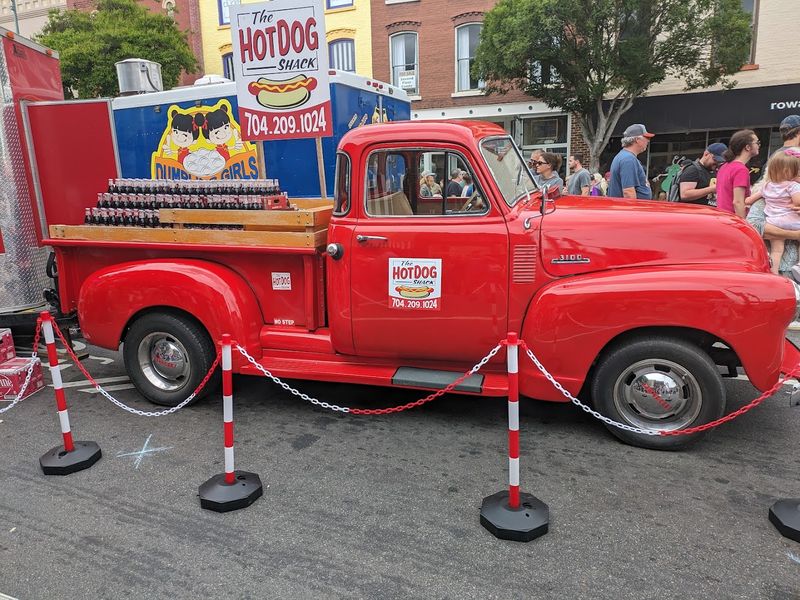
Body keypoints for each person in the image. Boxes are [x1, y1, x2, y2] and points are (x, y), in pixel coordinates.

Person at [760, 148, 800, 277]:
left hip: (774, 221)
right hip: (791, 220)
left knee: (777, 250)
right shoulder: (792, 185)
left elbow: (752, 197)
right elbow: (797, 201)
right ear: (789, 171)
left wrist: (748, 200)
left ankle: (774, 272)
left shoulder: (767, 186)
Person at [716, 130, 760, 217]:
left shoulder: (725, 166)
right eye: (757, 142)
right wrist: (743, 225)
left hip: (722, 217)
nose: (759, 145)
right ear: (747, 147)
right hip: (734, 221)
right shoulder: (741, 170)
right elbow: (738, 202)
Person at [608, 124, 654, 199]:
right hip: (630, 209)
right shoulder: (628, 159)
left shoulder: (625, 156)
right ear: (637, 140)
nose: (648, 141)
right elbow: (628, 192)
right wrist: (634, 210)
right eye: (646, 138)